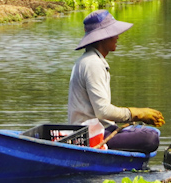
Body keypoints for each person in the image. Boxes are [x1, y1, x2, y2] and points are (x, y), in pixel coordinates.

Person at [68, 9, 163, 153]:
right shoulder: (93, 64)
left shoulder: (90, 60)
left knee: (150, 132)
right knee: (150, 138)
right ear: (102, 38)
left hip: (99, 129)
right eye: (113, 33)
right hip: (91, 135)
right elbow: (103, 111)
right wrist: (135, 113)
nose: (117, 37)